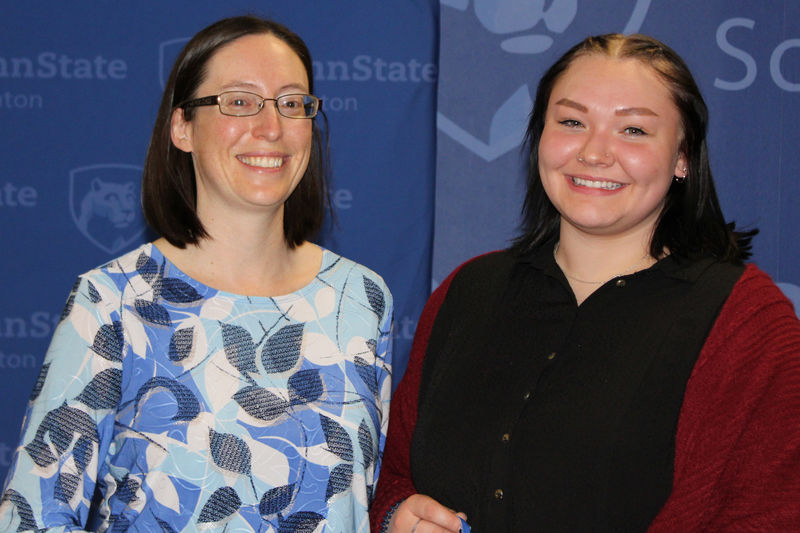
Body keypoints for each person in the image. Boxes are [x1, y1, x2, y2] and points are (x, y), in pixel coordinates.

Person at [371, 33, 800, 532]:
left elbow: (770, 514)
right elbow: (396, 473)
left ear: (683, 157)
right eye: (572, 122)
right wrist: (396, 516)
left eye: (634, 130)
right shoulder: (469, 291)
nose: (595, 152)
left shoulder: (744, 321)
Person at [0, 16, 393, 532]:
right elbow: (30, 517)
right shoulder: (114, 300)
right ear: (182, 127)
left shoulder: (362, 298)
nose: (271, 126)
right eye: (238, 101)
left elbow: (366, 501)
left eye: (291, 103)